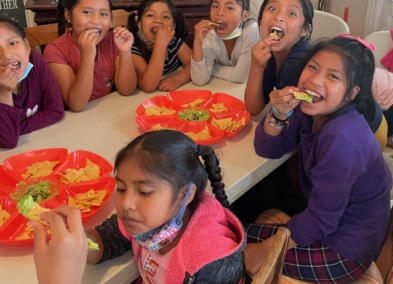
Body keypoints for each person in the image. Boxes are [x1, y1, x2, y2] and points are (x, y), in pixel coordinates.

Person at [244, 36, 392, 284]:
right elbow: (267, 148)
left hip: (346, 250)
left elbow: (321, 219)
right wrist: (279, 112)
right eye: (312, 67)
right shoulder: (309, 110)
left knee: (237, 254)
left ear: (351, 94)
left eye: (333, 76)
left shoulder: (341, 139)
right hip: (325, 224)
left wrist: (263, 252)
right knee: (235, 235)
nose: (314, 80)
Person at [32, 130, 251, 284]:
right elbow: (108, 240)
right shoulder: (146, 219)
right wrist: (78, 242)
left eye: (144, 192)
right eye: (121, 188)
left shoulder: (211, 262)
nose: (126, 204)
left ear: (185, 194)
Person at [44, 0, 137, 112]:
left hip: (107, 113)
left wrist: (125, 51)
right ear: (68, 14)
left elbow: (127, 90)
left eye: (103, 14)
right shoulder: (55, 50)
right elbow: (77, 105)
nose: (96, 21)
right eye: (87, 12)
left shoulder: (113, 41)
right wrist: (87, 57)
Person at [0, 16, 64, 149]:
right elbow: (8, 141)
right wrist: (4, 92)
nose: (6, 54)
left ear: (27, 46)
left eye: (12, 43)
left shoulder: (36, 62)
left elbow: (55, 112)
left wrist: (16, 129)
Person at [244, 0, 313, 116]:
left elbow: (293, 124)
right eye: (272, 9)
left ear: (303, 30)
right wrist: (256, 67)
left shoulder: (297, 63)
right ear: (261, 20)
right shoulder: (270, 53)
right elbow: (253, 109)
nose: (278, 17)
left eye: (291, 13)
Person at [127, 0, 192, 92]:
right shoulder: (133, 48)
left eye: (165, 16)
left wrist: (179, 78)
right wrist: (160, 46)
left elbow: (196, 64)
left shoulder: (174, 41)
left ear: (173, 26)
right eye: (150, 15)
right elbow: (148, 86)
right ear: (139, 24)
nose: (158, 20)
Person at [190, 0, 260, 86]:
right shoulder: (210, 34)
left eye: (229, 8)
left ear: (244, 16)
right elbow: (199, 80)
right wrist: (197, 43)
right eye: (215, 6)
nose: (220, 13)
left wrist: (213, 69)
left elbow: (241, 77)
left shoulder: (251, 29)